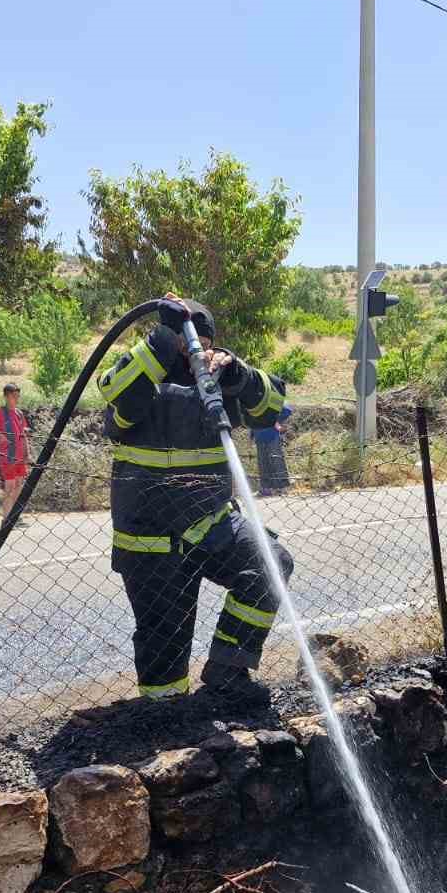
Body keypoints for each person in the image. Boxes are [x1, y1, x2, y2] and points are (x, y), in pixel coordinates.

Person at [96, 295, 291, 705]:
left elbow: (272, 406)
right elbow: (116, 392)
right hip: (152, 544)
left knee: (270, 562)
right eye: (188, 342)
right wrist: (162, 342)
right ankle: (164, 719)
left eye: (203, 342)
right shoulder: (143, 375)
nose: (195, 352)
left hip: (212, 526)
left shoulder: (221, 380)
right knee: (164, 640)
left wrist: (237, 372)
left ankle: (228, 669)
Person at [0, 383, 31, 517]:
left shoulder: (19, 413)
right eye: (13, 396)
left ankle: (15, 515)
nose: (16, 398)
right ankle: (7, 517)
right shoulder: (0, 412)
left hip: (21, 457)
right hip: (8, 457)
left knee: (18, 486)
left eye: (17, 396)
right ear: (6, 396)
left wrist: (28, 453)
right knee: (9, 486)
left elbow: (24, 434)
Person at [253, 403, 293, 495]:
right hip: (259, 435)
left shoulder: (268, 397)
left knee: (276, 461)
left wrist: (277, 422)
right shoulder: (250, 400)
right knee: (263, 463)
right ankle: (266, 488)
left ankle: (282, 487)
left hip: (272, 435)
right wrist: (252, 433)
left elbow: (287, 409)